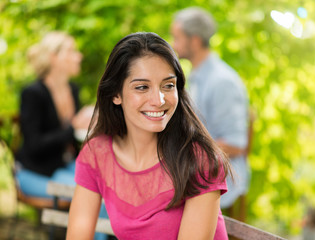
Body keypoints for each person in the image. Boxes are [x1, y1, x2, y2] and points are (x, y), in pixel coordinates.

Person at [67, 32, 233, 240]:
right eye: (142, 87)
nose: (159, 99)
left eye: (168, 85)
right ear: (116, 95)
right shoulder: (97, 153)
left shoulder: (199, 160)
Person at [171, 7, 250, 210]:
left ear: (195, 40)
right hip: (197, 176)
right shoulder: (197, 78)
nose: (173, 44)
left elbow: (235, 144)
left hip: (220, 185)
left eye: (177, 38)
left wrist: (181, 154)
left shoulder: (221, 81)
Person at [17, 31, 90, 198]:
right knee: (91, 196)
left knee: (111, 186)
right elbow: (34, 145)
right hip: (35, 173)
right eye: (71, 51)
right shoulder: (33, 94)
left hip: (65, 165)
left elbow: (72, 139)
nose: (78, 56)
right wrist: (73, 128)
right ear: (53, 57)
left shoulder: (73, 89)